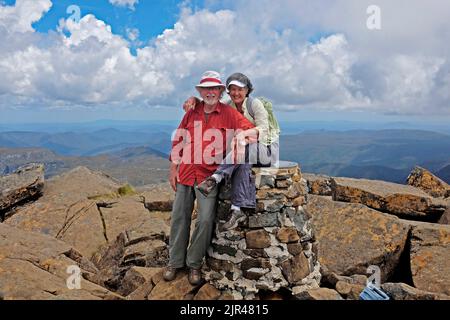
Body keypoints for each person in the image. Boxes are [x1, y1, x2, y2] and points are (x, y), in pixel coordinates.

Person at [164, 71, 256, 285]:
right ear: (201, 92)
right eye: (206, 89)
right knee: (179, 218)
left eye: (214, 89)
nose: (210, 92)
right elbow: (179, 139)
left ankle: (194, 264)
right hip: (186, 172)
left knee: (205, 220)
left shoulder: (228, 114)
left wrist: (239, 141)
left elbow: (251, 130)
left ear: (220, 92)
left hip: (209, 176)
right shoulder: (191, 112)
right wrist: (173, 168)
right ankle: (175, 262)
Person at [183, 73, 280, 231]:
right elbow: (212, 102)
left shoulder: (254, 105)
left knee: (246, 147)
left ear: (247, 90)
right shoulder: (229, 105)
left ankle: (216, 176)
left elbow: (264, 130)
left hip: (265, 151)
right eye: (232, 89)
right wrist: (194, 100)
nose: (236, 93)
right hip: (243, 153)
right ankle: (236, 210)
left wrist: (243, 135)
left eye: (240, 89)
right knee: (242, 163)